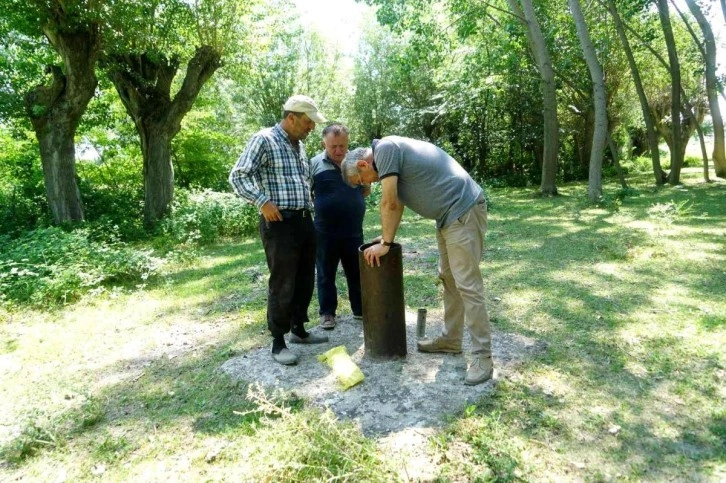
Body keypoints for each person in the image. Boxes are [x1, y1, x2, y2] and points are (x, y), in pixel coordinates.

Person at [341, 136, 493, 385]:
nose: (365, 187)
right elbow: (397, 203)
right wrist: (385, 238)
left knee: (467, 284)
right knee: (449, 279)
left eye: (360, 182)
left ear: (362, 165)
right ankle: (451, 340)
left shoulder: (386, 149)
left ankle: (483, 356)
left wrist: (387, 245)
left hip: (463, 210)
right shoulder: (388, 159)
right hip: (448, 217)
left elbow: (389, 202)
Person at [229, 94, 330, 366]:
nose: (312, 128)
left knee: (305, 278)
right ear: (291, 118)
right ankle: (278, 342)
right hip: (279, 223)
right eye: (308, 122)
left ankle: (298, 330)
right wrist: (262, 202)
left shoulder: (299, 147)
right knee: (283, 282)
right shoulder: (264, 139)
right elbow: (238, 175)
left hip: (304, 221)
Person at [310, 123, 370, 330]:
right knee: (326, 272)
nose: (338, 151)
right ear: (324, 144)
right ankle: (327, 313)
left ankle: (361, 310)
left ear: (348, 143)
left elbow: (365, 188)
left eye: (342, 146)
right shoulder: (314, 164)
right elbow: (307, 193)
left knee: (356, 271)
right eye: (333, 146)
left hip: (353, 230)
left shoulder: (356, 161)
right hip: (325, 231)